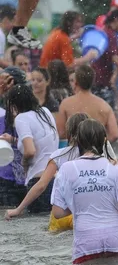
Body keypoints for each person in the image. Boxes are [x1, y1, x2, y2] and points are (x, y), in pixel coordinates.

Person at [51, 119, 118, 263]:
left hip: (86, 241)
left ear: (78, 141)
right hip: (116, 239)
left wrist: (79, 204)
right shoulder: (115, 166)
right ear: (104, 141)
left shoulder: (66, 168)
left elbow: (57, 212)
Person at [4, 113, 88, 228]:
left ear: (69, 131)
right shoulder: (100, 154)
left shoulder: (59, 155)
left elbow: (41, 185)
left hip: (63, 216)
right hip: (89, 215)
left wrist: (18, 209)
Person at [2, 83, 59, 213]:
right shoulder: (45, 112)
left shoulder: (21, 118)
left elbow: (30, 151)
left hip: (38, 183)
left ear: (14, 104)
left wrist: (24, 164)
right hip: (56, 179)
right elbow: (43, 142)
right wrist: (13, 140)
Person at [57, 65, 118, 143]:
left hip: (76, 151)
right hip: (97, 152)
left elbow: (61, 133)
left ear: (76, 82)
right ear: (93, 82)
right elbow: (115, 135)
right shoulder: (104, 105)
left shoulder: (66, 104)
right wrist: (99, 144)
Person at [91, 9, 118, 109]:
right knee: (105, 110)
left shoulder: (107, 32)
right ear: (116, 20)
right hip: (101, 78)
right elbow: (115, 58)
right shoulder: (108, 35)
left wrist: (115, 75)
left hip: (100, 77)